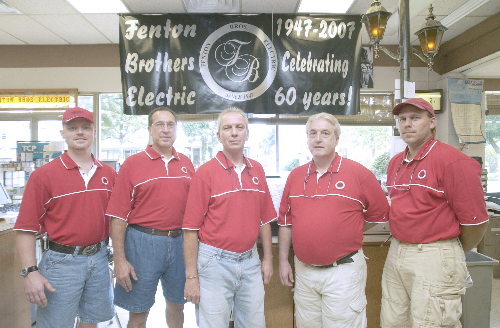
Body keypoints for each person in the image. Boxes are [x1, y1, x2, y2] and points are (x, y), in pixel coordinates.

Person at [381, 98, 489, 328]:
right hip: (397, 252)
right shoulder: (395, 164)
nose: (407, 124)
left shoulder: (453, 161)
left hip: (433, 254)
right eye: (402, 119)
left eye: (415, 118)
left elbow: (477, 222)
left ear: (431, 122)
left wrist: (448, 250)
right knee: (393, 322)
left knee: (432, 323)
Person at [278, 112, 390, 328]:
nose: (318, 139)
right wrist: (283, 260)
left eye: (325, 133)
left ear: (337, 139)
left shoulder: (359, 173)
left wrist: (351, 229)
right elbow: (285, 221)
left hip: (343, 272)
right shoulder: (295, 176)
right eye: (313, 133)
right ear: (308, 139)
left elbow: (380, 213)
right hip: (304, 272)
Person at [14, 107, 117, 328]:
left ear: (94, 132)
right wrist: (30, 272)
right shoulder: (43, 176)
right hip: (61, 263)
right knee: (55, 324)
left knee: (91, 321)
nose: (80, 132)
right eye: (72, 128)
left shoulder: (109, 174)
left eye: (85, 127)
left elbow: (118, 219)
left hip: (99, 259)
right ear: (63, 133)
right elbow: (25, 229)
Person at [182, 107, 276, 328]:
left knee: (254, 324)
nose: (234, 133)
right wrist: (191, 277)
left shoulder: (258, 170)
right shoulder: (205, 173)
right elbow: (190, 229)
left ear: (247, 133)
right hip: (214, 263)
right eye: (227, 128)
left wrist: (268, 258)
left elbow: (264, 219)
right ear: (219, 135)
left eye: (239, 127)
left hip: (250, 261)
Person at [105, 107, 194, 328]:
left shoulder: (187, 163)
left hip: (180, 241)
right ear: (149, 129)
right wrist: (120, 259)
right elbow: (117, 216)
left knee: (177, 305)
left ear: (176, 129)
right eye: (159, 124)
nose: (165, 130)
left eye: (170, 125)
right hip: (142, 243)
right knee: (138, 311)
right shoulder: (132, 164)